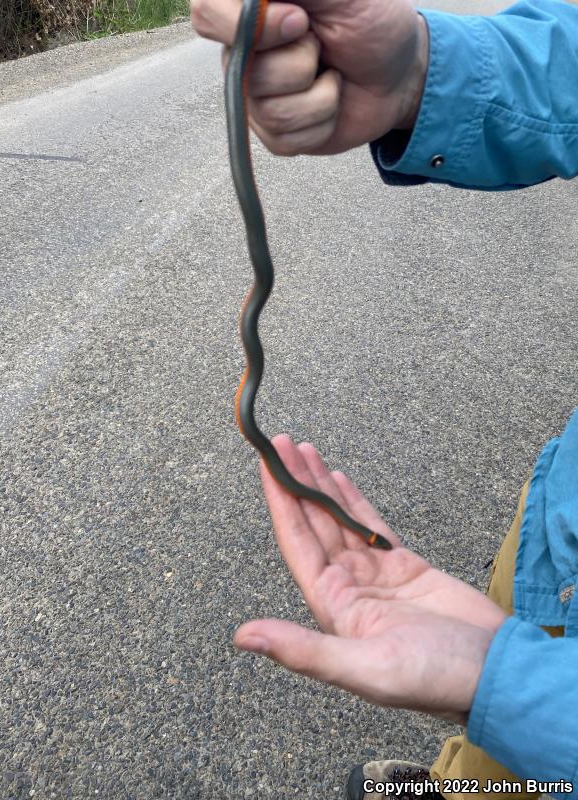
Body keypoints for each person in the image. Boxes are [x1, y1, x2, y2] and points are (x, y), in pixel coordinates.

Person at [191, 0, 578, 797]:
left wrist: (519, 695)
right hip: (568, 511)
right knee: (519, 643)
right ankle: (473, 783)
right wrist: (421, 74)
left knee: (511, 699)